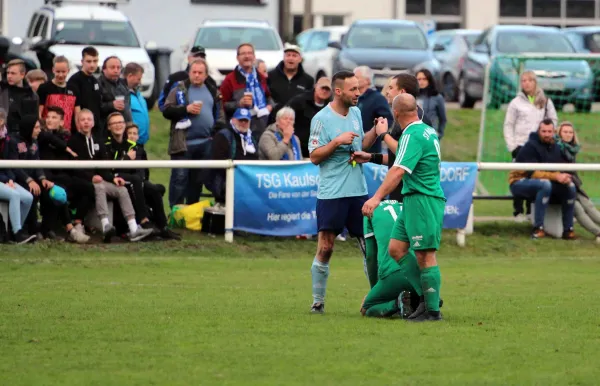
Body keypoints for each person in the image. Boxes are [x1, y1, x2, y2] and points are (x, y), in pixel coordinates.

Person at [362, 93, 445, 322]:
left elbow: (398, 170)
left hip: (423, 199)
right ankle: (427, 298)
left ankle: (432, 311)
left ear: (395, 113)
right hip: (412, 199)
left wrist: (376, 198)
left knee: (425, 255)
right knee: (396, 248)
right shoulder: (426, 131)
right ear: (417, 109)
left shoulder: (412, 133)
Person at [307, 71, 382, 314]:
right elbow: (314, 156)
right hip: (332, 193)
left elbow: (362, 145)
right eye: (353, 89)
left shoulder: (357, 113)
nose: (358, 93)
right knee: (326, 247)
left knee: (370, 248)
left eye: (359, 88)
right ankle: (318, 301)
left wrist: (375, 132)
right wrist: (336, 142)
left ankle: (377, 298)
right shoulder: (321, 119)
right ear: (338, 91)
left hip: (358, 191)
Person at [67, 109, 153, 243]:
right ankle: (105, 225)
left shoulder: (98, 141)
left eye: (89, 119)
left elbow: (104, 167)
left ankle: (133, 228)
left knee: (121, 189)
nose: (86, 122)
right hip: (84, 180)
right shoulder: (73, 141)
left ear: (94, 123)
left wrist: (113, 178)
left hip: (101, 179)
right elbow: (74, 167)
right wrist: (91, 178)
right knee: (99, 187)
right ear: (77, 123)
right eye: (82, 120)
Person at [14, 116, 88, 242]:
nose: (39, 130)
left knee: (56, 192)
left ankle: (49, 230)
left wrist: (42, 179)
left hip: (37, 179)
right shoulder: (14, 142)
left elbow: (37, 163)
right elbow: (13, 166)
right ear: (29, 129)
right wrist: (29, 180)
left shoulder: (34, 142)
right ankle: (30, 230)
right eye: (36, 128)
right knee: (34, 193)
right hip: (19, 180)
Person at [163, 58, 223, 208]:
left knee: (197, 182)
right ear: (189, 73)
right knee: (180, 179)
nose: (196, 75)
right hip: (183, 143)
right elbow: (166, 110)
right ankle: (175, 212)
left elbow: (219, 114)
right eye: (194, 72)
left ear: (206, 75)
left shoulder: (212, 90)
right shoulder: (179, 89)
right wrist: (185, 109)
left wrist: (215, 132)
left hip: (205, 143)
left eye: (200, 73)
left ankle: (191, 213)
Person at [508, 118, 576, 240]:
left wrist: (563, 176)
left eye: (549, 131)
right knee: (545, 185)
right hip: (519, 182)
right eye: (543, 131)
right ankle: (538, 228)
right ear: (539, 131)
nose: (546, 134)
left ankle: (568, 230)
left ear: (554, 132)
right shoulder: (530, 146)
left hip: (545, 182)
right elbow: (533, 173)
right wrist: (556, 176)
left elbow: (555, 169)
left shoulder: (556, 147)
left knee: (570, 187)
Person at [504, 70, 558, 222]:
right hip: (521, 146)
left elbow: (553, 120)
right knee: (519, 176)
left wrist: (547, 137)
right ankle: (518, 210)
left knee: (535, 175)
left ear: (535, 82)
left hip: (539, 146)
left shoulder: (545, 101)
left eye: (529, 80)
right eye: (523, 81)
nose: (526, 83)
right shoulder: (516, 103)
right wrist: (512, 146)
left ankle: (531, 210)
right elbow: (508, 125)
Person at [360, 199, 423, 318]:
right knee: (418, 300)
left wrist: (374, 290)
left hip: (392, 274)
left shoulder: (370, 211)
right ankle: (423, 301)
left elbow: (371, 257)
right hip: (418, 274)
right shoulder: (405, 207)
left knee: (366, 308)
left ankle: (396, 304)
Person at [39, 106, 92, 242]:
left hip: (64, 177)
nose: (49, 120)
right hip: (46, 178)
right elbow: (50, 138)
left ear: (62, 122)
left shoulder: (66, 137)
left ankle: (77, 222)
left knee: (88, 187)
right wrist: (67, 149)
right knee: (59, 191)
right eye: (48, 117)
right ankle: (68, 230)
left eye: (54, 117)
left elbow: (72, 160)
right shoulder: (41, 135)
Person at [376, 74, 433, 202]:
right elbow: (396, 156)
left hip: (412, 194)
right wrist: (370, 157)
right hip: (401, 191)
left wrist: (383, 135)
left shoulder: (418, 120)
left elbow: (404, 154)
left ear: (402, 92)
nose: (387, 92)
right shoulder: (402, 118)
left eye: (391, 88)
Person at [125, 124, 181, 240]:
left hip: (142, 181)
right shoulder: (124, 149)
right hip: (131, 182)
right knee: (154, 190)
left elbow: (146, 170)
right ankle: (159, 226)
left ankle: (162, 226)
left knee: (159, 188)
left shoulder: (141, 150)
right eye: (129, 133)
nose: (132, 136)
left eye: (134, 133)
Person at [104, 112, 156, 233]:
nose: (118, 125)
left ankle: (161, 225)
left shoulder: (131, 146)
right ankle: (142, 220)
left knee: (154, 189)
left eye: (120, 122)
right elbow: (110, 168)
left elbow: (138, 169)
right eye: (114, 123)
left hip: (127, 177)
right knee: (136, 181)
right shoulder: (105, 144)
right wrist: (126, 159)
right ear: (108, 127)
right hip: (109, 177)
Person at [555, 122, 600, 241]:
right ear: (559, 133)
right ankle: (598, 233)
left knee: (589, 206)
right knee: (578, 209)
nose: (568, 134)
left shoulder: (572, 150)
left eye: (570, 132)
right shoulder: (556, 147)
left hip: (574, 185)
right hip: (560, 186)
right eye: (565, 132)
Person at [209, 108, 259, 208]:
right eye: (240, 120)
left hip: (248, 182)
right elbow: (218, 164)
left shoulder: (252, 139)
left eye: (246, 121)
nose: (243, 123)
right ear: (233, 120)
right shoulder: (223, 136)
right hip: (227, 181)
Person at [220, 43, 274, 138]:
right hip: (240, 129)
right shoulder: (230, 79)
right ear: (237, 57)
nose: (247, 56)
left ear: (254, 56)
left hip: (262, 126)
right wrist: (239, 104)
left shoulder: (260, 77)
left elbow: (268, 97)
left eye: (249, 53)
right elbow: (222, 105)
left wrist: (269, 106)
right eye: (243, 53)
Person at [0, 109, 36, 243]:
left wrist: (9, 179)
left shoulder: (8, 140)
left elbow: (10, 164)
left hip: (5, 179)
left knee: (28, 197)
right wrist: (5, 180)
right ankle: (17, 233)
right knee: (14, 195)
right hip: (1, 179)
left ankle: (14, 229)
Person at [158, 45, 216, 112]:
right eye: (196, 56)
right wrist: (179, 113)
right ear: (189, 58)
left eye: (202, 57)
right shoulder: (175, 78)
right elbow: (162, 103)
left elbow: (216, 105)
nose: (199, 59)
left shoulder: (210, 81)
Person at [286, 76, 332, 158]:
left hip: (319, 151)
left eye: (327, 89)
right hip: (298, 149)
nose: (324, 91)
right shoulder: (299, 101)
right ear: (315, 87)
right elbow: (285, 116)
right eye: (322, 88)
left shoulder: (331, 107)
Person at [267, 44, 314, 121]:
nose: (291, 58)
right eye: (288, 55)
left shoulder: (308, 80)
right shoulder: (270, 76)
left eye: (294, 55)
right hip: (274, 121)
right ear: (284, 58)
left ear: (300, 59)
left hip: (298, 123)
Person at [354, 66, 393, 153]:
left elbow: (387, 120)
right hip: (353, 148)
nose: (354, 80)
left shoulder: (377, 98)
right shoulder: (353, 98)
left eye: (357, 77)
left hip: (371, 151)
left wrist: (374, 133)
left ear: (367, 80)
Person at [37, 56, 80, 134]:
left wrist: (79, 132)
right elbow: (39, 112)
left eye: (63, 72)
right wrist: (43, 129)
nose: (60, 75)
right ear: (53, 70)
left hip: (67, 133)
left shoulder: (74, 89)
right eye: (58, 71)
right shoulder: (44, 88)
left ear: (68, 71)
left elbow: (77, 114)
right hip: (48, 133)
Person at [67, 47, 103, 136]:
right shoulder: (75, 80)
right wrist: (80, 131)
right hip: (82, 129)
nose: (92, 65)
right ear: (82, 61)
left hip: (95, 128)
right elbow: (76, 108)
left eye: (95, 61)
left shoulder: (95, 81)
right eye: (89, 61)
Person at [0, 59, 39, 135]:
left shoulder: (31, 96)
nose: (9, 76)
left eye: (13, 73)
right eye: (8, 73)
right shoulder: (2, 90)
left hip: (20, 138)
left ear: (22, 75)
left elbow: (33, 121)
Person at [99, 56, 132, 124]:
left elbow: (128, 106)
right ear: (104, 69)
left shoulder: (123, 84)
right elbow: (94, 107)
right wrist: (111, 105)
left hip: (125, 126)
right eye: (112, 67)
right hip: (106, 128)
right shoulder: (98, 85)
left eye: (118, 68)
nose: (116, 70)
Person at [416, 69, 447, 140]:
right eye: (419, 79)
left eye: (424, 79)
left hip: (431, 134)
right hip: (415, 134)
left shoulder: (437, 97)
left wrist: (440, 134)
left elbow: (443, 118)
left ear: (429, 80)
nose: (421, 82)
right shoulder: (412, 96)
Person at [125, 63, 150, 145]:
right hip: (131, 141)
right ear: (130, 76)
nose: (140, 82)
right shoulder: (123, 94)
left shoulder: (138, 93)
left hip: (141, 141)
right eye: (138, 79)